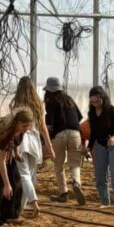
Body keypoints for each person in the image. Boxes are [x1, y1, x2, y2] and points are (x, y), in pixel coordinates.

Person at [0, 108, 34, 227]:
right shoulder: (6, 134)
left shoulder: (19, 130)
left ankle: (11, 214)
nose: (27, 129)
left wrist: (16, 153)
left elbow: (15, 141)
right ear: (17, 123)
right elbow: (1, 161)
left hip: (4, 151)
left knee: (16, 180)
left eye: (28, 126)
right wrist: (6, 184)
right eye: (24, 126)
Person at [9, 76, 55, 216]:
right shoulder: (38, 104)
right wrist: (49, 147)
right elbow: (43, 127)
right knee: (32, 175)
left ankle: (32, 202)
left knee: (24, 174)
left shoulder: (16, 104)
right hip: (34, 141)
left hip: (21, 140)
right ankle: (22, 207)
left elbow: (13, 126)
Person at [43, 77, 86, 205]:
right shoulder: (69, 100)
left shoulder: (51, 102)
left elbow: (50, 123)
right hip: (75, 133)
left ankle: (63, 193)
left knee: (59, 165)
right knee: (75, 164)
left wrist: (46, 138)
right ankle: (76, 182)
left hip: (59, 134)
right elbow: (78, 118)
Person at [87, 86, 114, 213]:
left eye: (97, 101)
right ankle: (104, 201)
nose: (95, 104)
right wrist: (88, 148)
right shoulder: (91, 113)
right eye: (92, 102)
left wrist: (113, 138)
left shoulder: (111, 110)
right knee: (99, 175)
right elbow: (93, 133)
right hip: (100, 146)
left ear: (103, 98)